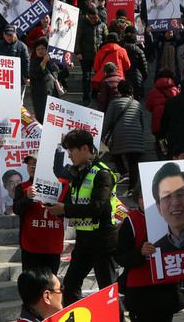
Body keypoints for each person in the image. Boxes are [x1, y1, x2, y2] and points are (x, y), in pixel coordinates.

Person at [44, 129, 120, 307]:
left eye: (72, 151)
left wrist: (66, 209)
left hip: (103, 239)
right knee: (70, 287)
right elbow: (71, 200)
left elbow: (98, 207)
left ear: (85, 148)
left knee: (107, 292)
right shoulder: (78, 173)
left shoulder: (102, 173)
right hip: (84, 239)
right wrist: (57, 207)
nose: (70, 156)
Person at [115, 185, 184, 322]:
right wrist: (139, 252)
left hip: (167, 288)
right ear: (136, 199)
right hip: (141, 290)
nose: (146, 200)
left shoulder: (174, 216)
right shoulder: (131, 221)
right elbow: (120, 256)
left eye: (149, 196)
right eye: (142, 197)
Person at [13, 155, 67, 275]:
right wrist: (27, 198)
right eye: (29, 164)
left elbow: (67, 210)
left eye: (36, 163)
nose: (32, 167)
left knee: (50, 285)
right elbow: (16, 209)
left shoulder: (61, 186)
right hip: (30, 245)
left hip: (52, 244)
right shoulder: (22, 187)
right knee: (31, 285)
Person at [102, 80, 145, 194]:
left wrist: (100, 136)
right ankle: (132, 189)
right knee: (133, 162)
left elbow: (107, 122)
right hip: (137, 135)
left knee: (115, 154)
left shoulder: (114, 103)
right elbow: (142, 122)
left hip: (121, 135)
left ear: (119, 91)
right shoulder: (137, 103)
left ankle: (124, 173)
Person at [74, 5, 107, 105]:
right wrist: (78, 52)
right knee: (86, 77)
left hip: (99, 56)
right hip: (85, 55)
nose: (94, 19)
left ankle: (95, 94)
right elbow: (77, 39)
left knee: (99, 76)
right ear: (88, 16)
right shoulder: (82, 24)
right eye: (92, 17)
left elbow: (106, 39)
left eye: (95, 17)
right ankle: (86, 97)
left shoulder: (102, 25)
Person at [146, 70, 179, 159]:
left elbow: (148, 107)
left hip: (158, 122)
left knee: (160, 143)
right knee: (172, 143)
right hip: (172, 122)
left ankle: (162, 159)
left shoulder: (153, 91)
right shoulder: (175, 90)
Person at [29, 38, 60, 123]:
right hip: (40, 96)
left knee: (53, 118)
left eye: (42, 48)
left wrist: (68, 65)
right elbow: (36, 74)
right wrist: (44, 61)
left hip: (53, 94)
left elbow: (59, 73)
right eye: (38, 49)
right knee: (42, 118)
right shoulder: (33, 62)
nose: (40, 51)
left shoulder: (52, 61)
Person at [121, 27, 148, 101]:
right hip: (136, 78)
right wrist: (143, 77)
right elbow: (144, 66)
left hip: (123, 77)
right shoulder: (139, 51)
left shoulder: (120, 51)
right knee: (136, 101)